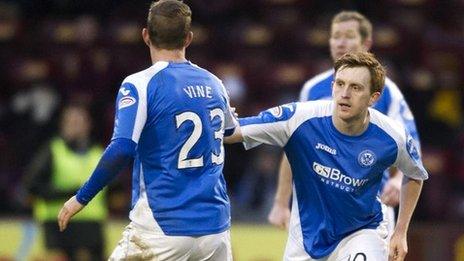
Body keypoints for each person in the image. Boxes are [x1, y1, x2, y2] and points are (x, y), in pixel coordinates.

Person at [57, 1, 237, 260]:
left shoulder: (140, 84)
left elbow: (122, 147)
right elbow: (230, 132)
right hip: (215, 230)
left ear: (145, 35)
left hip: (162, 225)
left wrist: (81, 198)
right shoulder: (215, 82)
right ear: (188, 38)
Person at [225, 52, 428, 260]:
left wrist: (401, 232)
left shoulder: (392, 135)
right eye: (339, 84)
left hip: (362, 231)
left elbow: (415, 175)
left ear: (374, 97)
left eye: (356, 87)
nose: (344, 93)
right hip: (306, 237)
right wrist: (217, 116)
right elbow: (233, 132)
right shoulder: (300, 119)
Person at [268, 11, 420, 234]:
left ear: (366, 43)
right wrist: (281, 202)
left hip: (369, 206)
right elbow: (295, 145)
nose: (341, 42)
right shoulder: (312, 88)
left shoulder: (387, 92)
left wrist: (397, 181)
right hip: (317, 206)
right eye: (335, 36)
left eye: (348, 36)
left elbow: (409, 146)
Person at [24, 103, 106, 261]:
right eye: (71, 122)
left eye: (79, 122)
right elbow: (32, 186)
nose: (75, 127)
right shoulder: (52, 150)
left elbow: (115, 190)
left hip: (92, 228)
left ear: (88, 125)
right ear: (62, 125)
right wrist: (71, 194)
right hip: (59, 225)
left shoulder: (99, 152)